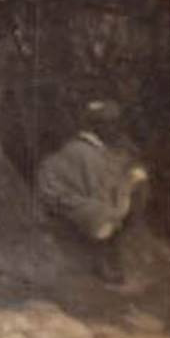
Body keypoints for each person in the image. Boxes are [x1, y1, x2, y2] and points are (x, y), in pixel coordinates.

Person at [36, 99, 149, 286]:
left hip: (71, 197)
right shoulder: (85, 152)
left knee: (128, 195)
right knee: (106, 213)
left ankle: (108, 255)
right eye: (109, 124)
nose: (115, 130)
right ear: (97, 127)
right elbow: (98, 191)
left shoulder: (96, 149)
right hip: (62, 201)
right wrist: (128, 185)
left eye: (115, 124)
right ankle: (102, 260)